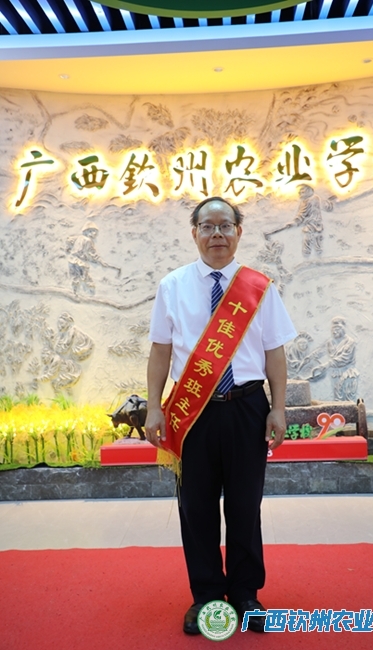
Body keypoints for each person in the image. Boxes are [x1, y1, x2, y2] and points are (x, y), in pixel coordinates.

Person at [145, 197, 297, 635]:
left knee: (246, 505)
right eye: (208, 226)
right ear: (194, 232)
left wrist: (278, 408)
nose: (217, 234)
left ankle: (247, 595)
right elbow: (160, 351)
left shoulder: (260, 287)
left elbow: (274, 353)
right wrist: (154, 406)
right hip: (193, 412)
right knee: (196, 508)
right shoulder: (172, 285)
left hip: (247, 407)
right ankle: (207, 595)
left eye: (225, 226)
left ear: (238, 232)